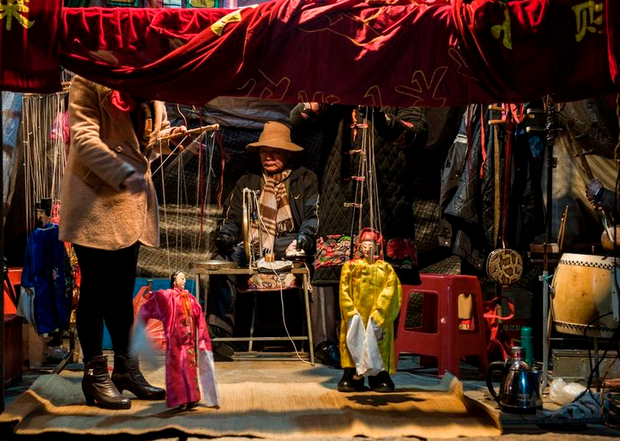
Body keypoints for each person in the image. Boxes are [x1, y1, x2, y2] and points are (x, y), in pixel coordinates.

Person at [59, 75, 193, 410]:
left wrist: (171, 140)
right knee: (95, 290)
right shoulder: (88, 82)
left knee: (121, 292)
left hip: (130, 202)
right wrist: (123, 173)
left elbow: (147, 141)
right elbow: (85, 140)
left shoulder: (150, 85)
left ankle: (126, 370)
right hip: (95, 200)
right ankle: (94, 375)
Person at [290, 103, 428, 368]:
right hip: (340, 194)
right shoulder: (337, 96)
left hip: (386, 196)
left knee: (387, 278)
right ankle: (336, 352)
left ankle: (381, 353)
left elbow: (417, 135)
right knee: (336, 275)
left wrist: (381, 117)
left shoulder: (399, 93)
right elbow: (298, 120)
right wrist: (320, 102)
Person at [208, 121, 318, 355]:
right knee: (222, 259)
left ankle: (319, 341)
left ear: (288, 154)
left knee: (317, 263)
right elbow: (232, 219)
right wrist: (226, 236)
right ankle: (219, 335)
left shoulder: (305, 179)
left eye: (275, 151)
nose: (268, 156)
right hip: (254, 245)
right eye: (264, 151)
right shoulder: (247, 182)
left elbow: (312, 216)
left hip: (289, 243)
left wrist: (304, 238)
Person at [136, 271, 219, 410]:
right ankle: (180, 399)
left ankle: (192, 397)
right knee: (177, 371)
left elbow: (199, 318)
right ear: (174, 281)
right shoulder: (168, 296)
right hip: (175, 343)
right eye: (182, 278)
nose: (184, 280)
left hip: (189, 343)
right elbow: (153, 301)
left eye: (185, 278)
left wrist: (202, 339)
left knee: (190, 371)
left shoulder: (191, 299)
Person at [338, 228, 402, 393]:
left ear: (377, 247)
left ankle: (380, 375)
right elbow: (344, 291)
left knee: (379, 342)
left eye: (371, 245)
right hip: (356, 314)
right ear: (359, 246)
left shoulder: (386, 269)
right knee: (353, 340)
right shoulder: (350, 267)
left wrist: (380, 314)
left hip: (376, 316)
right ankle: (351, 374)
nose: (367, 248)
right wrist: (350, 311)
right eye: (364, 245)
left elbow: (391, 292)